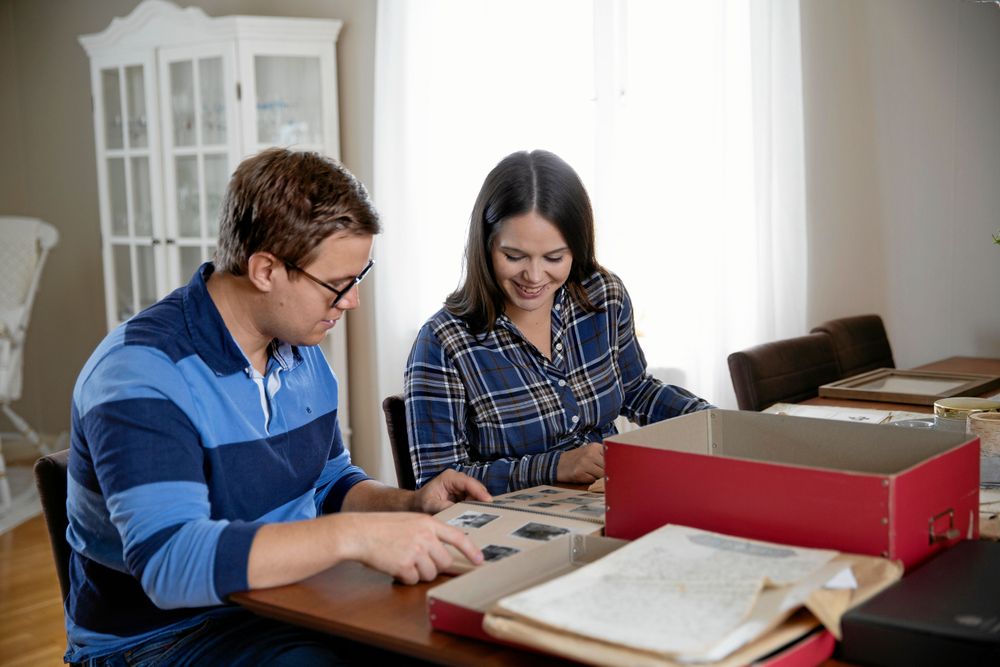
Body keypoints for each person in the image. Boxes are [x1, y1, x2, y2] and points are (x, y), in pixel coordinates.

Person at [65, 148, 489, 666]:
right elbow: (171, 565)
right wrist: (354, 537)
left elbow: (328, 483)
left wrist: (409, 506)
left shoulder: (301, 353)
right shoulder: (141, 373)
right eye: (337, 285)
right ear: (265, 269)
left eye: (360, 277)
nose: (351, 301)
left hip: (292, 603)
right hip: (166, 639)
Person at [404, 149, 713, 495]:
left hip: (612, 500)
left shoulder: (603, 297)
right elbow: (439, 485)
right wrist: (556, 466)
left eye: (554, 257)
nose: (534, 276)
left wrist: (714, 421)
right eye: (513, 256)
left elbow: (635, 390)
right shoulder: (444, 342)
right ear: (486, 245)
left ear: (577, 250)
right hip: (515, 530)